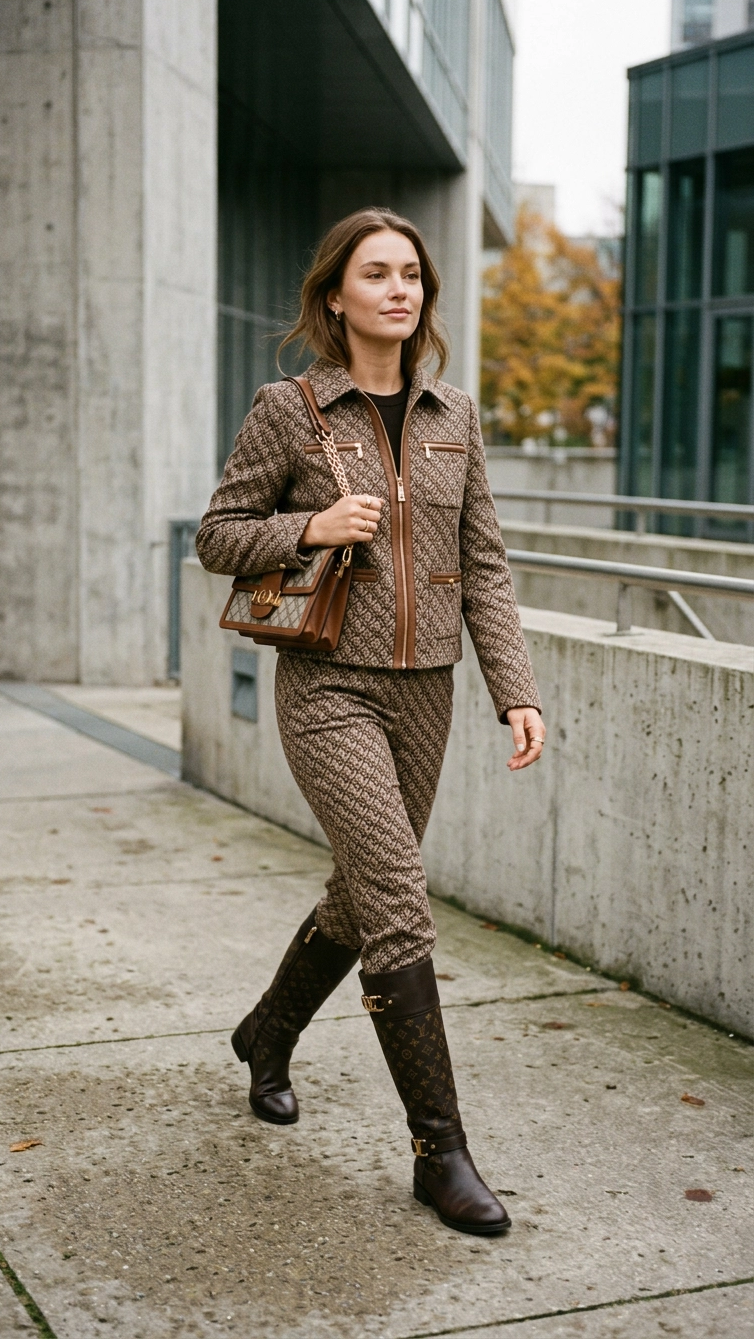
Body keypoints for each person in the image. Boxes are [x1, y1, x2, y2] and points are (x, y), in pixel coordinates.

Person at [196, 207, 545, 1236]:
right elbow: (220, 533)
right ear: (337, 294)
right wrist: (308, 524)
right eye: (377, 273)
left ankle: (266, 1030)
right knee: (398, 896)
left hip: (426, 688)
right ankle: (441, 1152)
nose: (400, 289)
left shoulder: (456, 415)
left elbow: (484, 561)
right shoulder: (289, 408)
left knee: (361, 893)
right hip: (328, 684)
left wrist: (512, 686)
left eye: (413, 275)